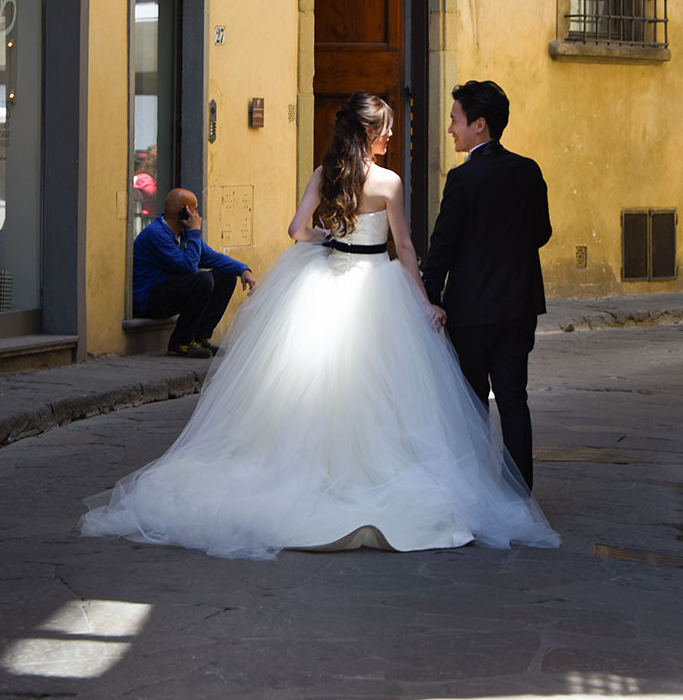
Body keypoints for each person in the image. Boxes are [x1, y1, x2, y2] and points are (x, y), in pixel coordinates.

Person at [80, 92, 558, 560]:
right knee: (394, 390)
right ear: (370, 133)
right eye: (387, 128)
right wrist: (423, 301)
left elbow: (296, 230)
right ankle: (477, 485)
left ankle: (323, 472)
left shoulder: (327, 174)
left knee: (317, 383)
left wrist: (325, 236)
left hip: (328, 276)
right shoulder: (389, 182)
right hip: (381, 282)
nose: (392, 134)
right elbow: (407, 250)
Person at [422, 80, 551, 489]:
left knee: (472, 403)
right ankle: (518, 493)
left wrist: (430, 297)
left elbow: (442, 245)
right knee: (513, 398)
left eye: (455, 120)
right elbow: (542, 232)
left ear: (480, 125)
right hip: (518, 304)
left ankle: (475, 488)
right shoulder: (528, 170)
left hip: (472, 309)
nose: (450, 130)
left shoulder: (463, 179)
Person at [131, 186, 255, 359]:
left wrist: (243, 270)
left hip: (167, 292)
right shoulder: (156, 234)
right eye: (195, 209)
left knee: (225, 276)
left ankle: (199, 338)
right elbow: (188, 267)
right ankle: (180, 343)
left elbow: (212, 257)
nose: (198, 215)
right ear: (184, 213)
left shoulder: (184, 234)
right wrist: (196, 232)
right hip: (148, 300)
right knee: (202, 280)